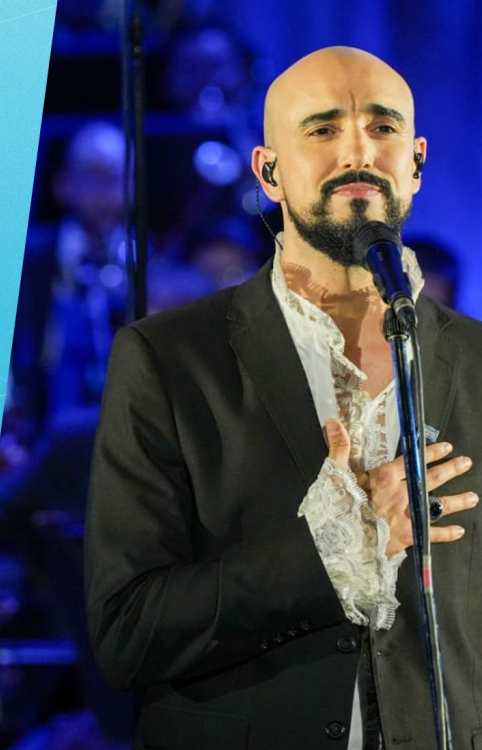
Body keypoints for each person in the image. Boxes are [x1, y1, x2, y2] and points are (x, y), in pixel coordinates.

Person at [84, 46, 482, 749]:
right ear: (268, 171)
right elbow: (127, 632)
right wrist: (335, 547)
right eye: (323, 129)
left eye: (382, 128)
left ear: (416, 162)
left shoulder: (476, 361)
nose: (357, 151)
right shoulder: (169, 359)